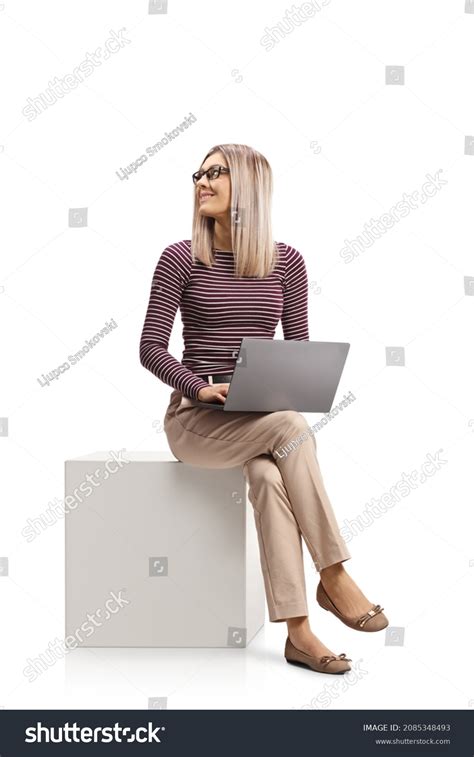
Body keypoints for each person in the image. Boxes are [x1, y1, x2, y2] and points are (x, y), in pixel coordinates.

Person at [139, 143, 388, 675]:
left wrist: (289, 383)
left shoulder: (288, 262)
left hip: (257, 420)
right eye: (199, 173)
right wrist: (198, 387)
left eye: (216, 173)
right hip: (196, 418)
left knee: (269, 477)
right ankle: (336, 574)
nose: (201, 182)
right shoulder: (180, 257)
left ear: (248, 186)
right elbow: (151, 348)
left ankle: (298, 633)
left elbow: (296, 351)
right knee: (290, 427)